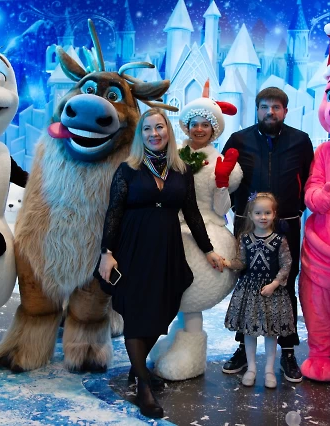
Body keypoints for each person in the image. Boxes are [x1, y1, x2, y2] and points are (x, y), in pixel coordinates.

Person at [98, 108, 224, 418]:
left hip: (167, 249)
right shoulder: (128, 169)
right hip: (133, 248)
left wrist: (208, 250)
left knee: (162, 309)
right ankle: (143, 386)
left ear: (168, 131)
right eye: (148, 129)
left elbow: (192, 213)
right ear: (140, 135)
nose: (154, 133)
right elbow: (114, 212)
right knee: (137, 312)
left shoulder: (181, 170)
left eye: (159, 127)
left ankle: (138, 367)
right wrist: (106, 252)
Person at [221, 87, 314, 383]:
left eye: (276, 107)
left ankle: (287, 351)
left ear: (285, 110)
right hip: (247, 227)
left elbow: (310, 179)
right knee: (247, 285)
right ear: (256, 109)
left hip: (285, 225)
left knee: (284, 285)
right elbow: (224, 177)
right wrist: (233, 209)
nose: (270, 112)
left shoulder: (301, 140)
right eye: (264, 106)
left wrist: (297, 209)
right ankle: (242, 348)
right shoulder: (239, 140)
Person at [151, 86, 243, 381]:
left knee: (192, 293)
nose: (199, 129)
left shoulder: (221, 162)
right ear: (186, 126)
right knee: (170, 292)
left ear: (214, 129)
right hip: (170, 228)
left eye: (206, 124)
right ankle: (176, 339)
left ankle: (191, 348)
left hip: (205, 231)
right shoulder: (172, 156)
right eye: (195, 123)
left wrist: (222, 183)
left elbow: (221, 209)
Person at [223, 192, 295, 389]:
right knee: (249, 332)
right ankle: (252, 368)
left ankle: (269, 370)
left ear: (274, 214)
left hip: (272, 292)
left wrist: (274, 284)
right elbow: (241, 262)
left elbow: (286, 264)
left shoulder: (279, 240)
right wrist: (227, 263)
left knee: (271, 333)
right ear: (250, 215)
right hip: (250, 292)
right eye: (258, 213)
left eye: (267, 213)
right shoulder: (245, 238)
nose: (263, 217)